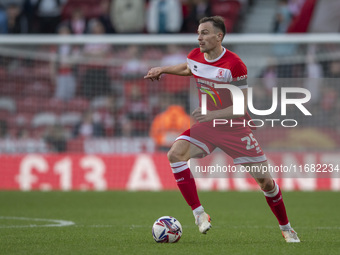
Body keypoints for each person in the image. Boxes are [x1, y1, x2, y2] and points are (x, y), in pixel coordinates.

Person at [144, 16, 300, 243]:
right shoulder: (195, 55)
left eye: (205, 32)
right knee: (175, 154)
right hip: (207, 127)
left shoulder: (234, 64)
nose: (200, 37)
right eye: (198, 32)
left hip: (235, 129)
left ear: (219, 36)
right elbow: (189, 68)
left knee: (265, 182)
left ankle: (286, 228)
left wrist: (212, 114)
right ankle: (199, 213)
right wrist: (163, 69)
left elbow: (241, 106)